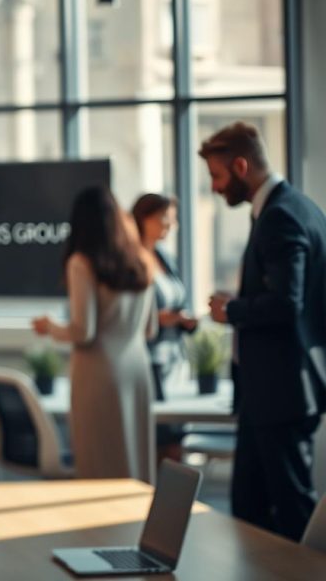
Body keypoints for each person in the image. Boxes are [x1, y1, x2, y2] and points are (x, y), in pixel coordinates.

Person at [203, 122, 326, 541]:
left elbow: (287, 303)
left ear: (241, 166)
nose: (215, 188)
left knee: (290, 512)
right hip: (271, 391)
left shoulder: (280, 217)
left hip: (281, 392)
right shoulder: (296, 207)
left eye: (217, 176)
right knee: (251, 511)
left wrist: (231, 309)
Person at [33, 186, 157, 483]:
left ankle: (102, 530)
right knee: (136, 460)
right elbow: (150, 329)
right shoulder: (142, 260)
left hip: (99, 373)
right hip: (137, 369)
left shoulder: (82, 263)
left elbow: (83, 331)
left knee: (100, 463)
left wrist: (49, 326)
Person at [131, 193, 197, 463]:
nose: (169, 225)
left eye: (172, 220)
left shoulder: (164, 257)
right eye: (163, 218)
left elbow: (179, 297)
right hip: (150, 361)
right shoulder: (131, 260)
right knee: (161, 443)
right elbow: (129, 315)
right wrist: (159, 320)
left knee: (176, 441)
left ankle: (173, 503)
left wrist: (184, 320)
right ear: (143, 219)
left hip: (174, 360)